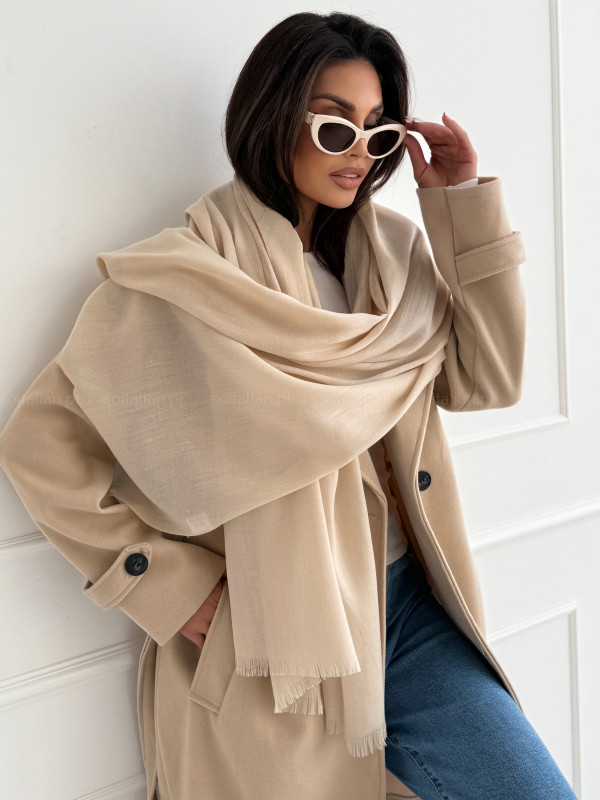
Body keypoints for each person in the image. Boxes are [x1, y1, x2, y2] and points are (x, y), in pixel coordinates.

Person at [0, 11, 578, 800]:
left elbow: (486, 380)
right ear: (274, 117)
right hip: (278, 632)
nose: (359, 154)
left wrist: (460, 206)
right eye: (335, 127)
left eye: (377, 132)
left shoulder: (394, 257)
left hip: (409, 609)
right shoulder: (193, 278)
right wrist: (165, 586)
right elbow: (40, 444)